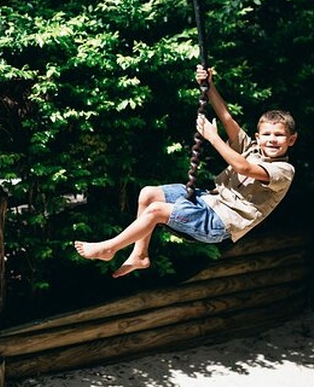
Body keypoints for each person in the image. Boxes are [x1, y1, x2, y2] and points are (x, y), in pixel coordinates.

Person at [74, 65, 298, 278]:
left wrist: (213, 137)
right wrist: (209, 86)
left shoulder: (283, 171)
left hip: (220, 223)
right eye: (267, 134)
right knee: (148, 194)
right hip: (209, 201)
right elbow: (226, 117)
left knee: (156, 211)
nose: (272, 140)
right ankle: (140, 254)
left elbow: (243, 167)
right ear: (258, 137)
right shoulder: (250, 147)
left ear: (291, 140)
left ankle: (109, 248)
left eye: (278, 135)